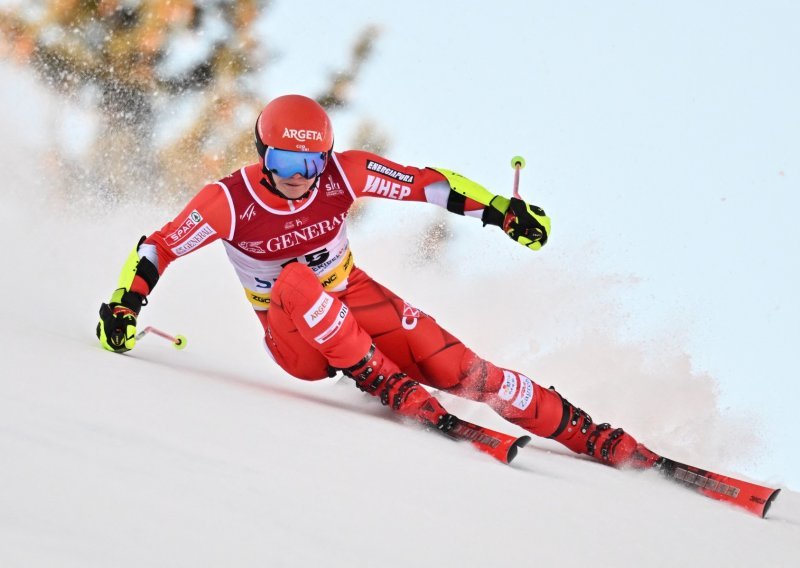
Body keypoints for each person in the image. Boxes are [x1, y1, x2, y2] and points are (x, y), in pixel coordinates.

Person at [97, 94, 658, 468]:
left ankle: (590, 434)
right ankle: (383, 382)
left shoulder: (347, 173)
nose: (300, 180)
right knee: (294, 280)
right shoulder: (228, 201)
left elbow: (427, 185)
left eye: (311, 165)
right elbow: (159, 246)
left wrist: (498, 211)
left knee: (461, 370)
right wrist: (126, 306)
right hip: (295, 336)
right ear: (262, 155)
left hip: (352, 296)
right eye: (287, 165)